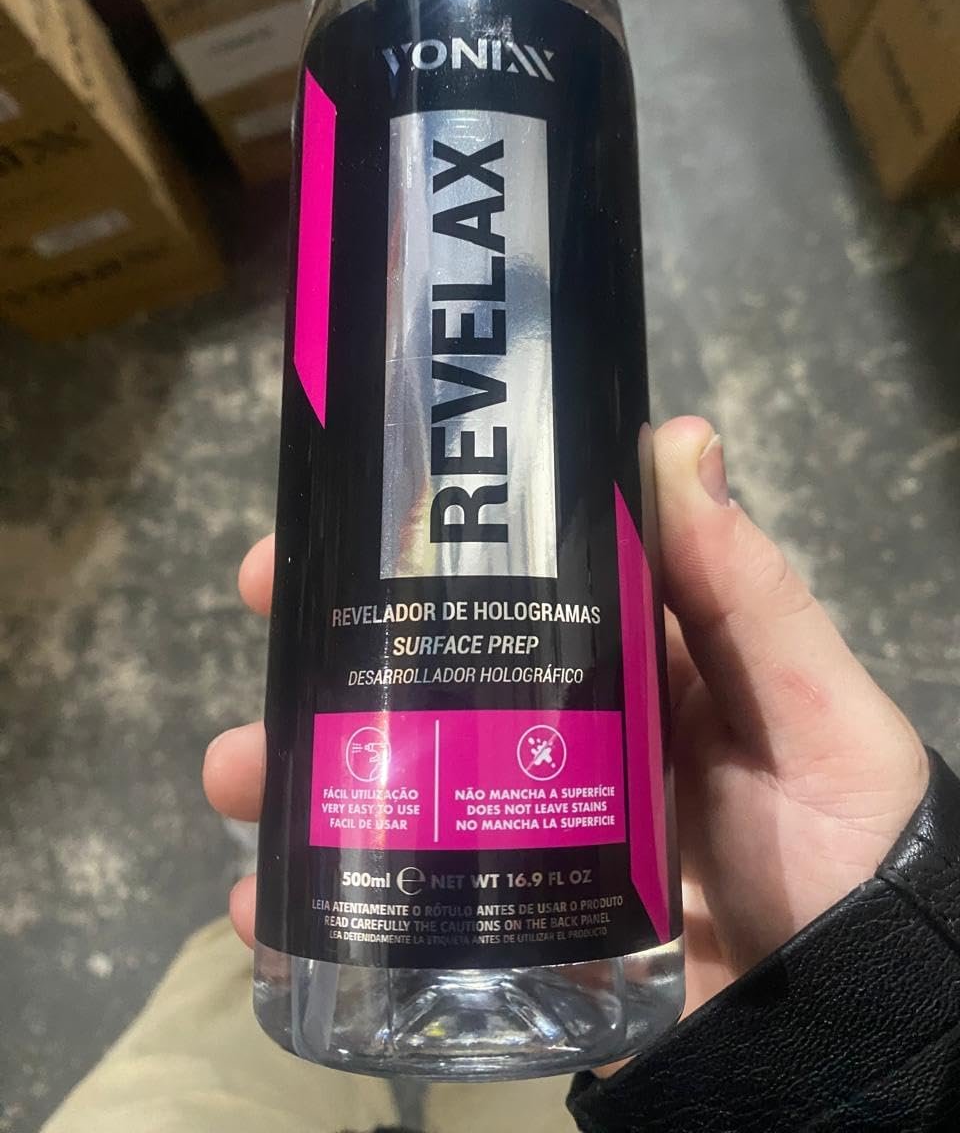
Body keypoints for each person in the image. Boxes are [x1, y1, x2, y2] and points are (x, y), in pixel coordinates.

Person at [43, 418, 959, 1132]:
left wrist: (852, 1006)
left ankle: (244, 950)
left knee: (184, 1069)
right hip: (469, 960)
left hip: (605, 966)